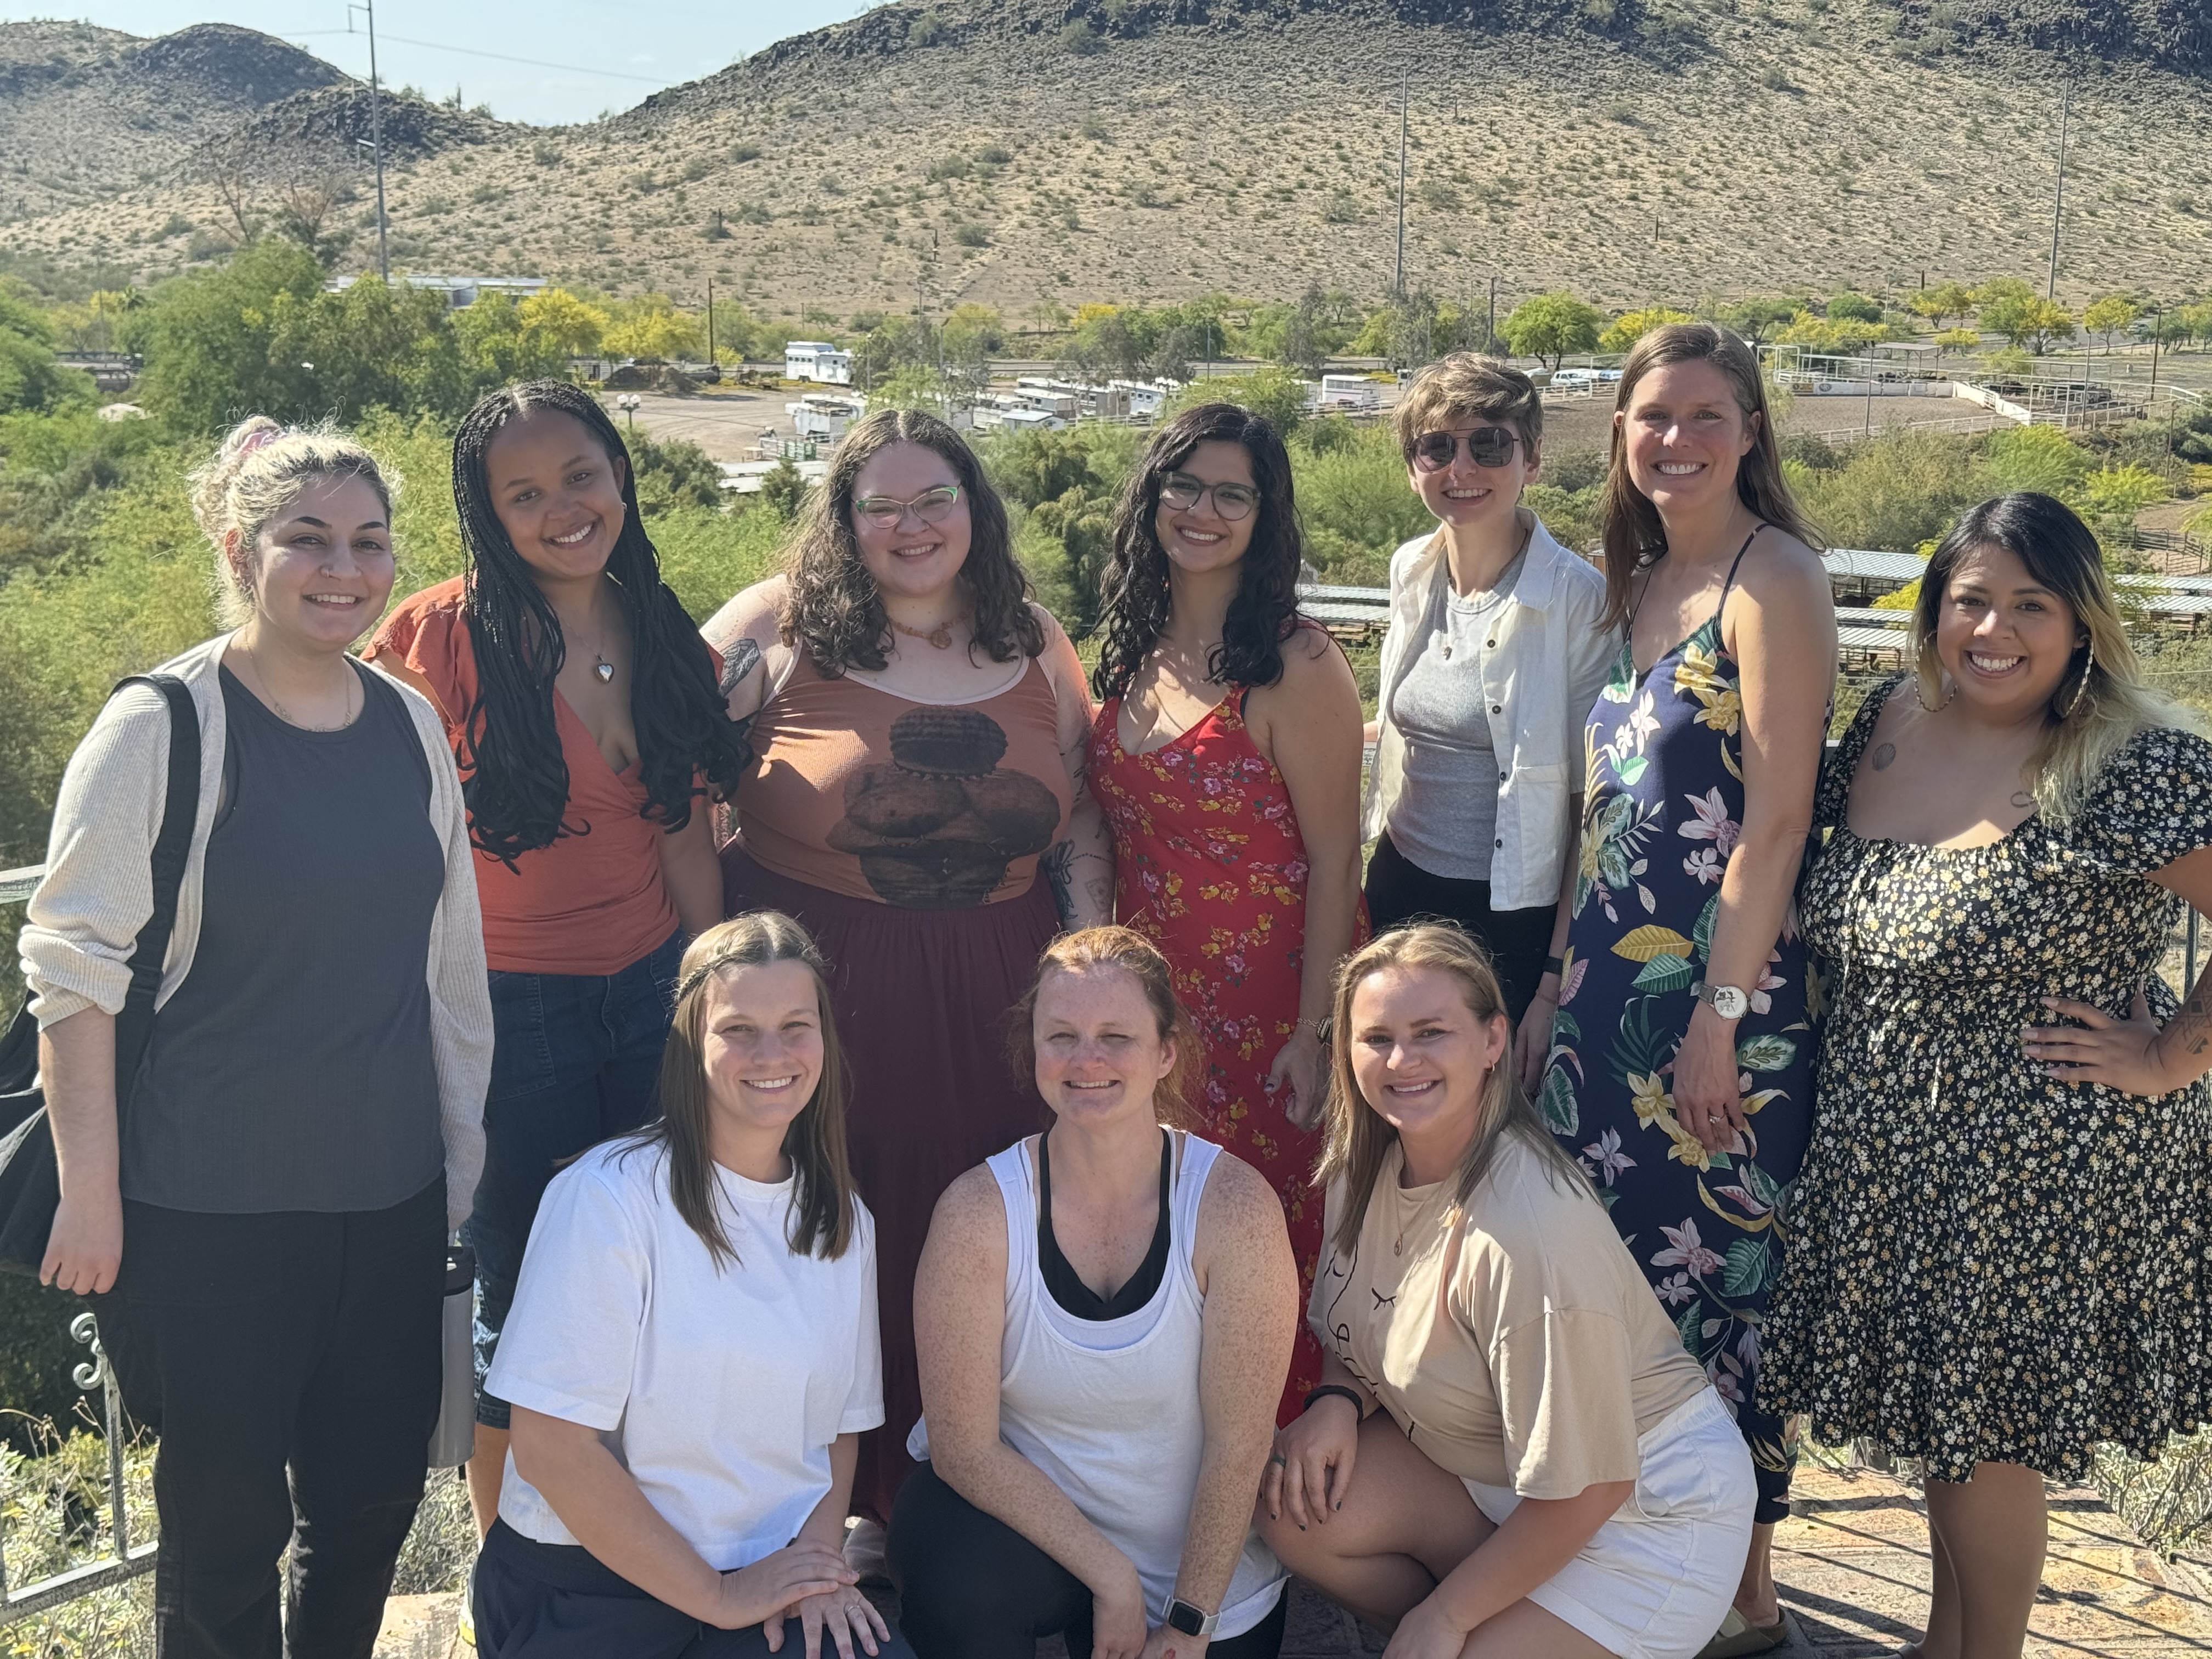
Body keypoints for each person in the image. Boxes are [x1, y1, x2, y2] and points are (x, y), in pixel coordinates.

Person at [23, 416, 493, 1658]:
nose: (344, 567)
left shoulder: (408, 727)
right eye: (308, 539)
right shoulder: (163, 727)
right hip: (207, 1208)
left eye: (369, 541)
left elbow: (447, 969)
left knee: (373, 1502)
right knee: (225, 1532)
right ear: (242, 549)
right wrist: (91, 1195)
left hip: (387, 1195)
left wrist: (458, 1166)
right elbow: (73, 973)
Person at [1764, 492, 2212, 1659]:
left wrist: (2170, 1057)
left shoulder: (2131, 765)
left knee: (1984, 1434)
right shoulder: (1886, 723)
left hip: (2033, 1172)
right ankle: (1947, 1641)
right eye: (1971, 601)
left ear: (2080, 626)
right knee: (1941, 1424)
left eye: (2031, 604)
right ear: (1934, 612)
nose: (1995, 630)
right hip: (1889, 1149)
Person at [704, 408, 1113, 1530]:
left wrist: (1087, 973)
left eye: (934, 498)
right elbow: (674, 801)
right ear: (845, 522)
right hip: (814, 1007)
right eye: (879, 505)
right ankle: (809, 1510)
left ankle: (951, 1501)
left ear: (974, 507)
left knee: (974, 1240)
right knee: (821, 1236)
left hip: (995, 1001)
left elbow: (1076, 816)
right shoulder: (774, 632)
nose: (910, 525)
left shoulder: (1032, 639)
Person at [368, 379, 746, 1531]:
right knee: (526, 1303)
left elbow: (682, 834)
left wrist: (711, 983)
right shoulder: (437, 643)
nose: (562, 509)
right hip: (502, 1017)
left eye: (580, 476)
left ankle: (627, 1531)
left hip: (650, 1000)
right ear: (488, 514)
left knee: (647, 1272)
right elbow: (383, 848)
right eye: (523, 494)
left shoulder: (661, 628)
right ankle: (509, 1571)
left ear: (620, 475)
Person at [1539, 323, 1836, 1656]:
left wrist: (1720, 1020)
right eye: (1653, 417)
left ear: (1752, 430)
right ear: (1621, 435)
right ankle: (1641, 1559)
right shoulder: (1640, 580)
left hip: (1726, 1012)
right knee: (1619, 1291)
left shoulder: (1777, 580)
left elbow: (1773, 826)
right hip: (1602, 999)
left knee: (1722, 1283)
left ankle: (1745, 1593)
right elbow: (1600, 817)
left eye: (1706, 415)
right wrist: (1552, 985)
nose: (1677, 440)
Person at [1262, 925, 1754, 1659]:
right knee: (1295, 1508)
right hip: (1501, 1478)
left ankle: (1488, 1629)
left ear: (1494, 1040)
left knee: (1449, 1634)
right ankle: (1476, 1628)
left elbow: (1594, 1488)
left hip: (1641, 1516)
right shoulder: (1364, 1165)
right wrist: (1336, 1400)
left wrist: (1448, 1618)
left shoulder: (1529, 1229)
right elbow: (1356, 1324)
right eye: (1377, 1038)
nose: (1402, 1060)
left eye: (1432, 1032)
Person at [472, 911, 912, 1659]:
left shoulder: (843, 1222)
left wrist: (816, 1571)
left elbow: (838, 1433)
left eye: (795, 1025)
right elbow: (551, 1447)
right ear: (688, 1043)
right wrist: (717, 1596)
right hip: (590, 1590)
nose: (770, 1053)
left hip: (762, 1580)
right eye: (738, 1028)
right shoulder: (606, 1200)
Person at [891, 927, 1296, 1659]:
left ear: (1166, 1051)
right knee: (953, 1575)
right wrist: (1109, 1576)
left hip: (1203, 1578)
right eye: (1063, 1036)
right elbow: (963, 1449)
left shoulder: (1233, 1208)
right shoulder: (978, 1213)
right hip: (1041, 1543)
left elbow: (1240, 1445)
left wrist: (1188, 1620)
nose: (1088, 1061)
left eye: (1117, 1036)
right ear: (1033, 1049)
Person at [1084, 402, 1365, 1425]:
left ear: (1265, 515)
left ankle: (1276, 1492)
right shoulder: (1123, 651)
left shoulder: (1296, 665)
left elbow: (1339, 860)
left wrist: (1313, 1035)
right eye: (1184, 486)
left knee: (1266, 1241)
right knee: (1167, 1231)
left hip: (1271, 1012)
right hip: (1155, 1015)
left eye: (1231, 494)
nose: (1203, 510)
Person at [1361, 354, 1618, 1063]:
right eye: (1437, 447)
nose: (1461, 467)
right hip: (1398, 891)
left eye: (1490, 444)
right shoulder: (1410, 570)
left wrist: (1549, 980)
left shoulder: (1575, 600)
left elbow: (1584, 808)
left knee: (1493, 1136)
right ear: (1413, 466)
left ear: (1531, 459)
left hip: (1510, 919)